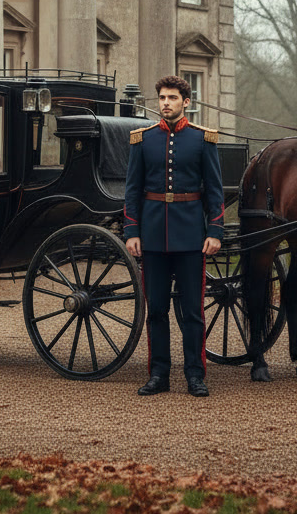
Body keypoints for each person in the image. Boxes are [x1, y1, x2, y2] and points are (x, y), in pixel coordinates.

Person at [124, 75, 224, 397]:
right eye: (162, 98)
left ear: (186, 102)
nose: (166, 103)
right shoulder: (144, 140)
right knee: (156, 310)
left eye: (172, 98)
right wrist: (132, 231)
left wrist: (215, 231)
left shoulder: (202, 140)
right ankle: (159, 376)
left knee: (193, 312)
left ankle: (195, 375)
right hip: (152, 237)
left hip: (191, 237)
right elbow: (132, 191)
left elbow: (214, 191)